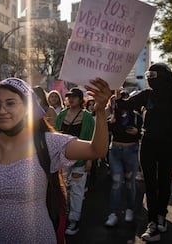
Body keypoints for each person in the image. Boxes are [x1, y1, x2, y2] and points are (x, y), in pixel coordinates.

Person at [0, 77, 111, 244]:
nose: (2, 110)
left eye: (10, 103)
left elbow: (97, 149)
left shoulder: (46, 143)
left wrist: (100, 111)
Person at [116, 63, 172, 242]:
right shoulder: (147, 95)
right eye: (149, 75)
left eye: (153, 75)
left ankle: (161, 216)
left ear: (164, 76)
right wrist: (117, 98)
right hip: (148, 144)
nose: (150, 78)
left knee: (164, 183)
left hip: (168, 145)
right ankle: (152, 222)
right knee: (150, 184)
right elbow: (126, 106)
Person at [54, 87, 96, 235]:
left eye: (74, 97)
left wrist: (89, 160)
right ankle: (63, 218)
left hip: (80, 160)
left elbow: (91, 139)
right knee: (63, 191)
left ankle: (74, 221)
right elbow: (55, 135)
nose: (70, 99)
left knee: (77, 191)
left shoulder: (87, 117)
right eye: (69, 96)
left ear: (80, 99)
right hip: (62, 160)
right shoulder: (62, 114)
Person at [104, 89, 142, 227]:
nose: (123, 102)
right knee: (116, 182)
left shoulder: (137, 116)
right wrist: (110, 120)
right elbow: (105, 130)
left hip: (131, 150)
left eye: (125, 98)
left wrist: (138, 133)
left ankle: (129, 209)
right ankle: (113, 213)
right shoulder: (111, 115)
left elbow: (143, 132)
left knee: (129, 182)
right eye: (118, 100)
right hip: (115, 150)